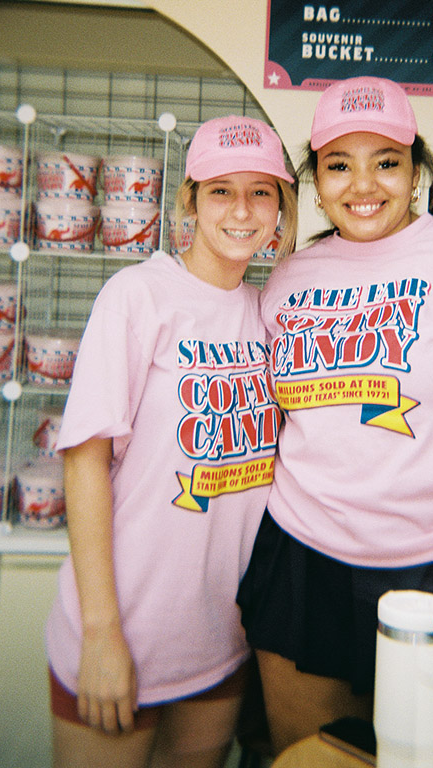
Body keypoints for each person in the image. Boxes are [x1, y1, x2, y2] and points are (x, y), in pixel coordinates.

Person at [237, 76, 433, 761]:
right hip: (302, 564)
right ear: (315, 181)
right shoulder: (289, 278)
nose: (364, 184)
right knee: (310, 761)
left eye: (386, 160)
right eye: (338, 165)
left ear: (416, 170)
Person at [44, 114, 297, 768]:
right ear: (189, 201)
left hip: (220, 645)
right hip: (120, 636)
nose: (241, 209)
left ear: (281, 208)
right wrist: (102, 635)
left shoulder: (271, 313)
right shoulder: (138, 296)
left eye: (261, 192)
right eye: (220, 190)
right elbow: (85, 464)